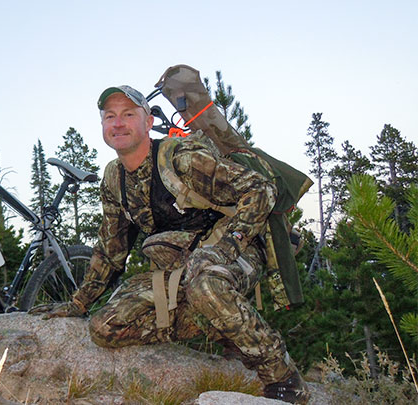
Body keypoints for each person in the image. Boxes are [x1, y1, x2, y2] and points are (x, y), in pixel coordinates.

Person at [32, 85, 310, 404]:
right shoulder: (113, 178)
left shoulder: (182, 158)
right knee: (105, 327)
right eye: (110, 116)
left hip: (236, 250)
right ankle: (222, 328)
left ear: (148, 122)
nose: (118, 123)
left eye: (128, 114)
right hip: (179, 267)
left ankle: (283, 378)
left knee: (206, 283)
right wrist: (78, 304)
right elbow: (111, 250)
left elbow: (259, 189)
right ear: (103, 127)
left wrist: (228, 246)